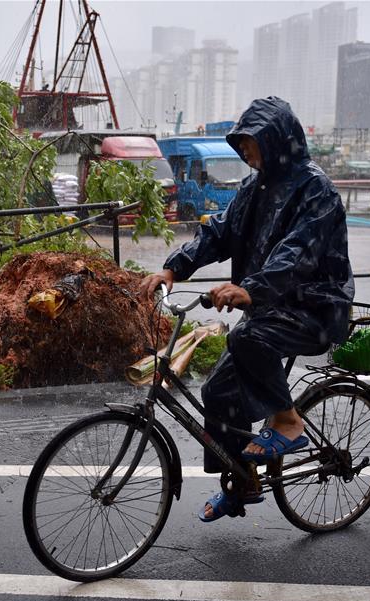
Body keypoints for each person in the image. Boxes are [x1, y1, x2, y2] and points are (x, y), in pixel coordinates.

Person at [139, 97, 354, 522]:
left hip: (317, 308)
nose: (246, 154)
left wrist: (250, 289)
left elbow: (299, 253)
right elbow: (218, 232)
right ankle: (244, 481)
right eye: (242, 146)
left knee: (246, 335)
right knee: (216, 392)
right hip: (272, 308)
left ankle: (289, 420)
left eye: (252, 144)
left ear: (277, 141)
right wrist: (172, 270)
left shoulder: (316, 190)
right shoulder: (253, 190)